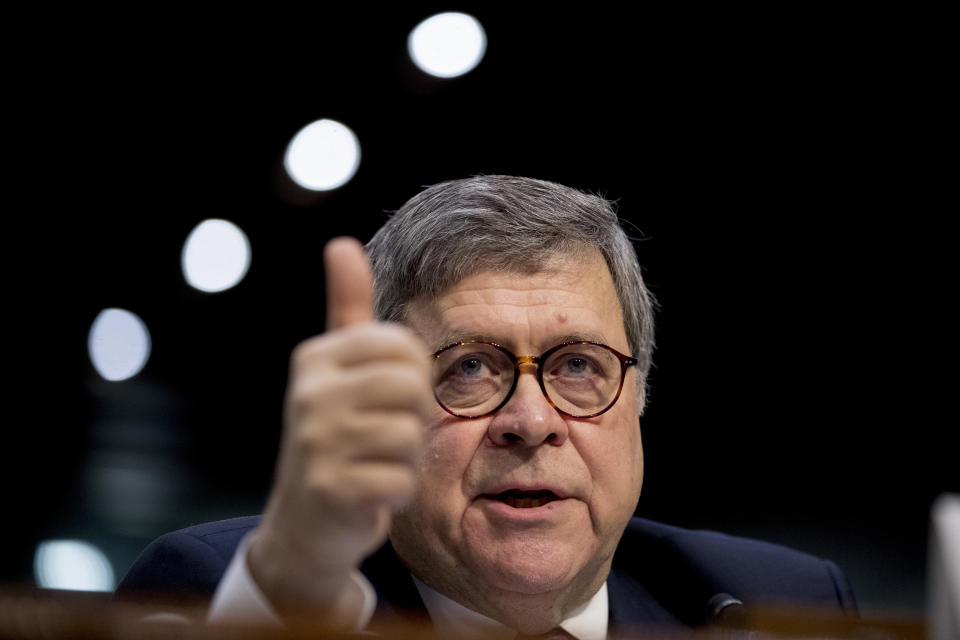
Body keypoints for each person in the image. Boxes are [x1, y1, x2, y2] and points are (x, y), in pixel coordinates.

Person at [117, 176, 857, 637]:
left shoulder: (784, 605)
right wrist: (293, 584)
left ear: (638, 397)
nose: (531, 422)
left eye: (577, 366)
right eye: (469, 367)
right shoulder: (222, 589)